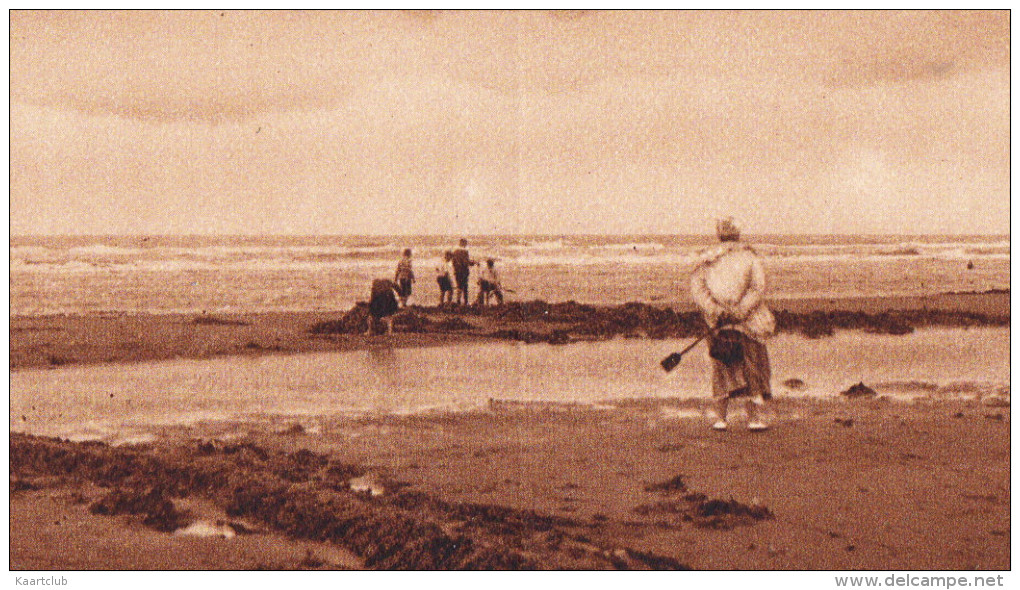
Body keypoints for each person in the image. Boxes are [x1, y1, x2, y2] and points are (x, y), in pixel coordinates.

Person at [689, 217, 775, 432]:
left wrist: (717, 311)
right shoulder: (749, 257)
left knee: (721, 366)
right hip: (746, 321)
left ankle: (721, 419)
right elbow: (757, 288)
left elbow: (698, 290)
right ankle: (753, 419)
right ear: (738, 233)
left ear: (719, 234)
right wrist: (739, 311)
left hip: (716, 322)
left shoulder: (706, 258)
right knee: (752, 366)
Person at [450, 239, 476, 306]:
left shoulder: (455, 251)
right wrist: (473, 263)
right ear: (463, 243)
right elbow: (465, 262)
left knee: (459, 286)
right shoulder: (465, 251)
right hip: (464, 271)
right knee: (465, 287)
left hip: (457, 271)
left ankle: (458, 301)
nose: (466, 245)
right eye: (466, 243)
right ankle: (465, 302)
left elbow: (453, 262)